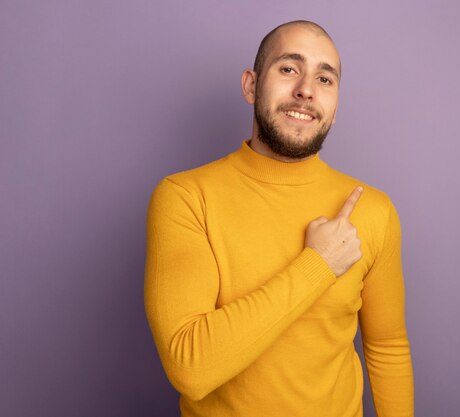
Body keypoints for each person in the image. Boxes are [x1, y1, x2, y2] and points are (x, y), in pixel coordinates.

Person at [144, 20, 414, 417]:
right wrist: (318, 265)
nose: (306, 89)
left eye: (325, 78)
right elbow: (190, 367)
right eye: (289, 69)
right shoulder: (185, 198)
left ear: (335, 106)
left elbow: (387, 348)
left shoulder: (373, 211)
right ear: (251, 86)